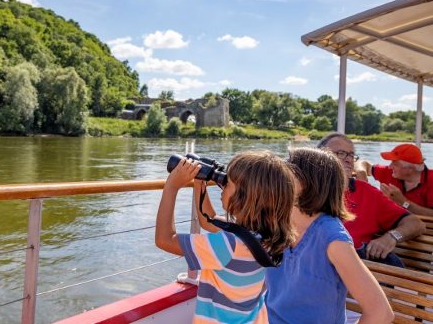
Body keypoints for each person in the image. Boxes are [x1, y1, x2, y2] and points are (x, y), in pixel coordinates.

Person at [155, 151, 296, 324]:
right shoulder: (265, 235)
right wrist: (200, 181)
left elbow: (164, 239)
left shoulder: (229, 244)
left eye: (228, 183)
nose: (222, 184)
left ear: (245, 197)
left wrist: (172, 186)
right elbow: (208, 220)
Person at [266, 147, 393, 324]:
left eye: (288, 168)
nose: (279, 174)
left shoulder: (332, 238)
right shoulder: (278, 223)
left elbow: (381, 312)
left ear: (309, 182)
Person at [318, 133, 425, 266]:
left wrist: (392, 236)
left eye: (351, 155)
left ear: (412, 167)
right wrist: (361, 171)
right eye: (341, 153)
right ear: (319, 157)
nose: (349, 160)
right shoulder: (303, 189)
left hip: (355, 268)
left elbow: (416, 223)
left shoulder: (367, 192)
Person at [355, 143, 433, 217]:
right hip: (391, 225)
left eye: (395, 164)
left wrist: (403, 202)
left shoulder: (431, 180)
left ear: (411, 169)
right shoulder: (390, 173)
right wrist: (361, 174)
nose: (390, 166)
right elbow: (362, 163)